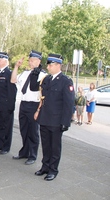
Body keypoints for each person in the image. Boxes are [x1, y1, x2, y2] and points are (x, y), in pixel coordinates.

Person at [34, 53, 75, 181]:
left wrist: (65, 122)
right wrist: (38, 112)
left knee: (55, 147)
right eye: (48, 64)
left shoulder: (65, 81)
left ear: (58, 65)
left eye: (50, 65)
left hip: (56, 121)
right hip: (45, 118)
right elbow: (42, 99)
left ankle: (53, 170)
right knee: (46, 145)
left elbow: (69, 103)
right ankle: (45, 167)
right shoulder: (46, 79)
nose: (48, 67)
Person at [11, 50, 47, 165]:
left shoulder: (42, 75)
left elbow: (42, 94)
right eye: (29, 60)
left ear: (39, 61)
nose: (30, 63)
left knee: (33, 132)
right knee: (24, 130)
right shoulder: (25, 73)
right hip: (24, 104)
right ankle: (24, 152)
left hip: (34, 105)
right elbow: (13, 80)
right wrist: (16, 67)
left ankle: (32, 155)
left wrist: (38, 110)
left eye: (33, 61)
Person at [0, 52, 17, 155]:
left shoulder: (9, 73)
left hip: (6, 106)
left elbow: (12, 92)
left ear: (6, 61)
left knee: (7, 127)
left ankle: (6, 147)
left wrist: (11, 106)